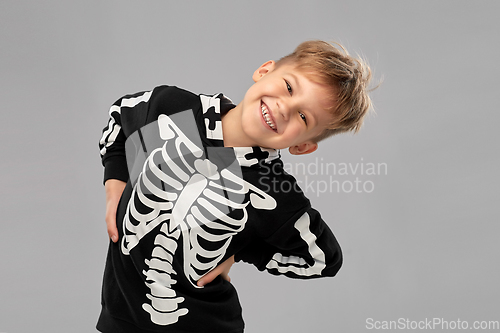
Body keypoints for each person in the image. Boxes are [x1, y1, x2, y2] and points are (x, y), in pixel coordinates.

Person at [97, 40, 373, 333]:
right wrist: (115, 187)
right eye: (290, 87)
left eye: (304, 117)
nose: (284, 107)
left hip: (205, 324)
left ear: (303, 146)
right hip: (120, 315)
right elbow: (119, 117)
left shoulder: (272, 189)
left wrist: (238, 251)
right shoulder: (172, 108)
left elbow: (324, 259)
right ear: (265, 70)